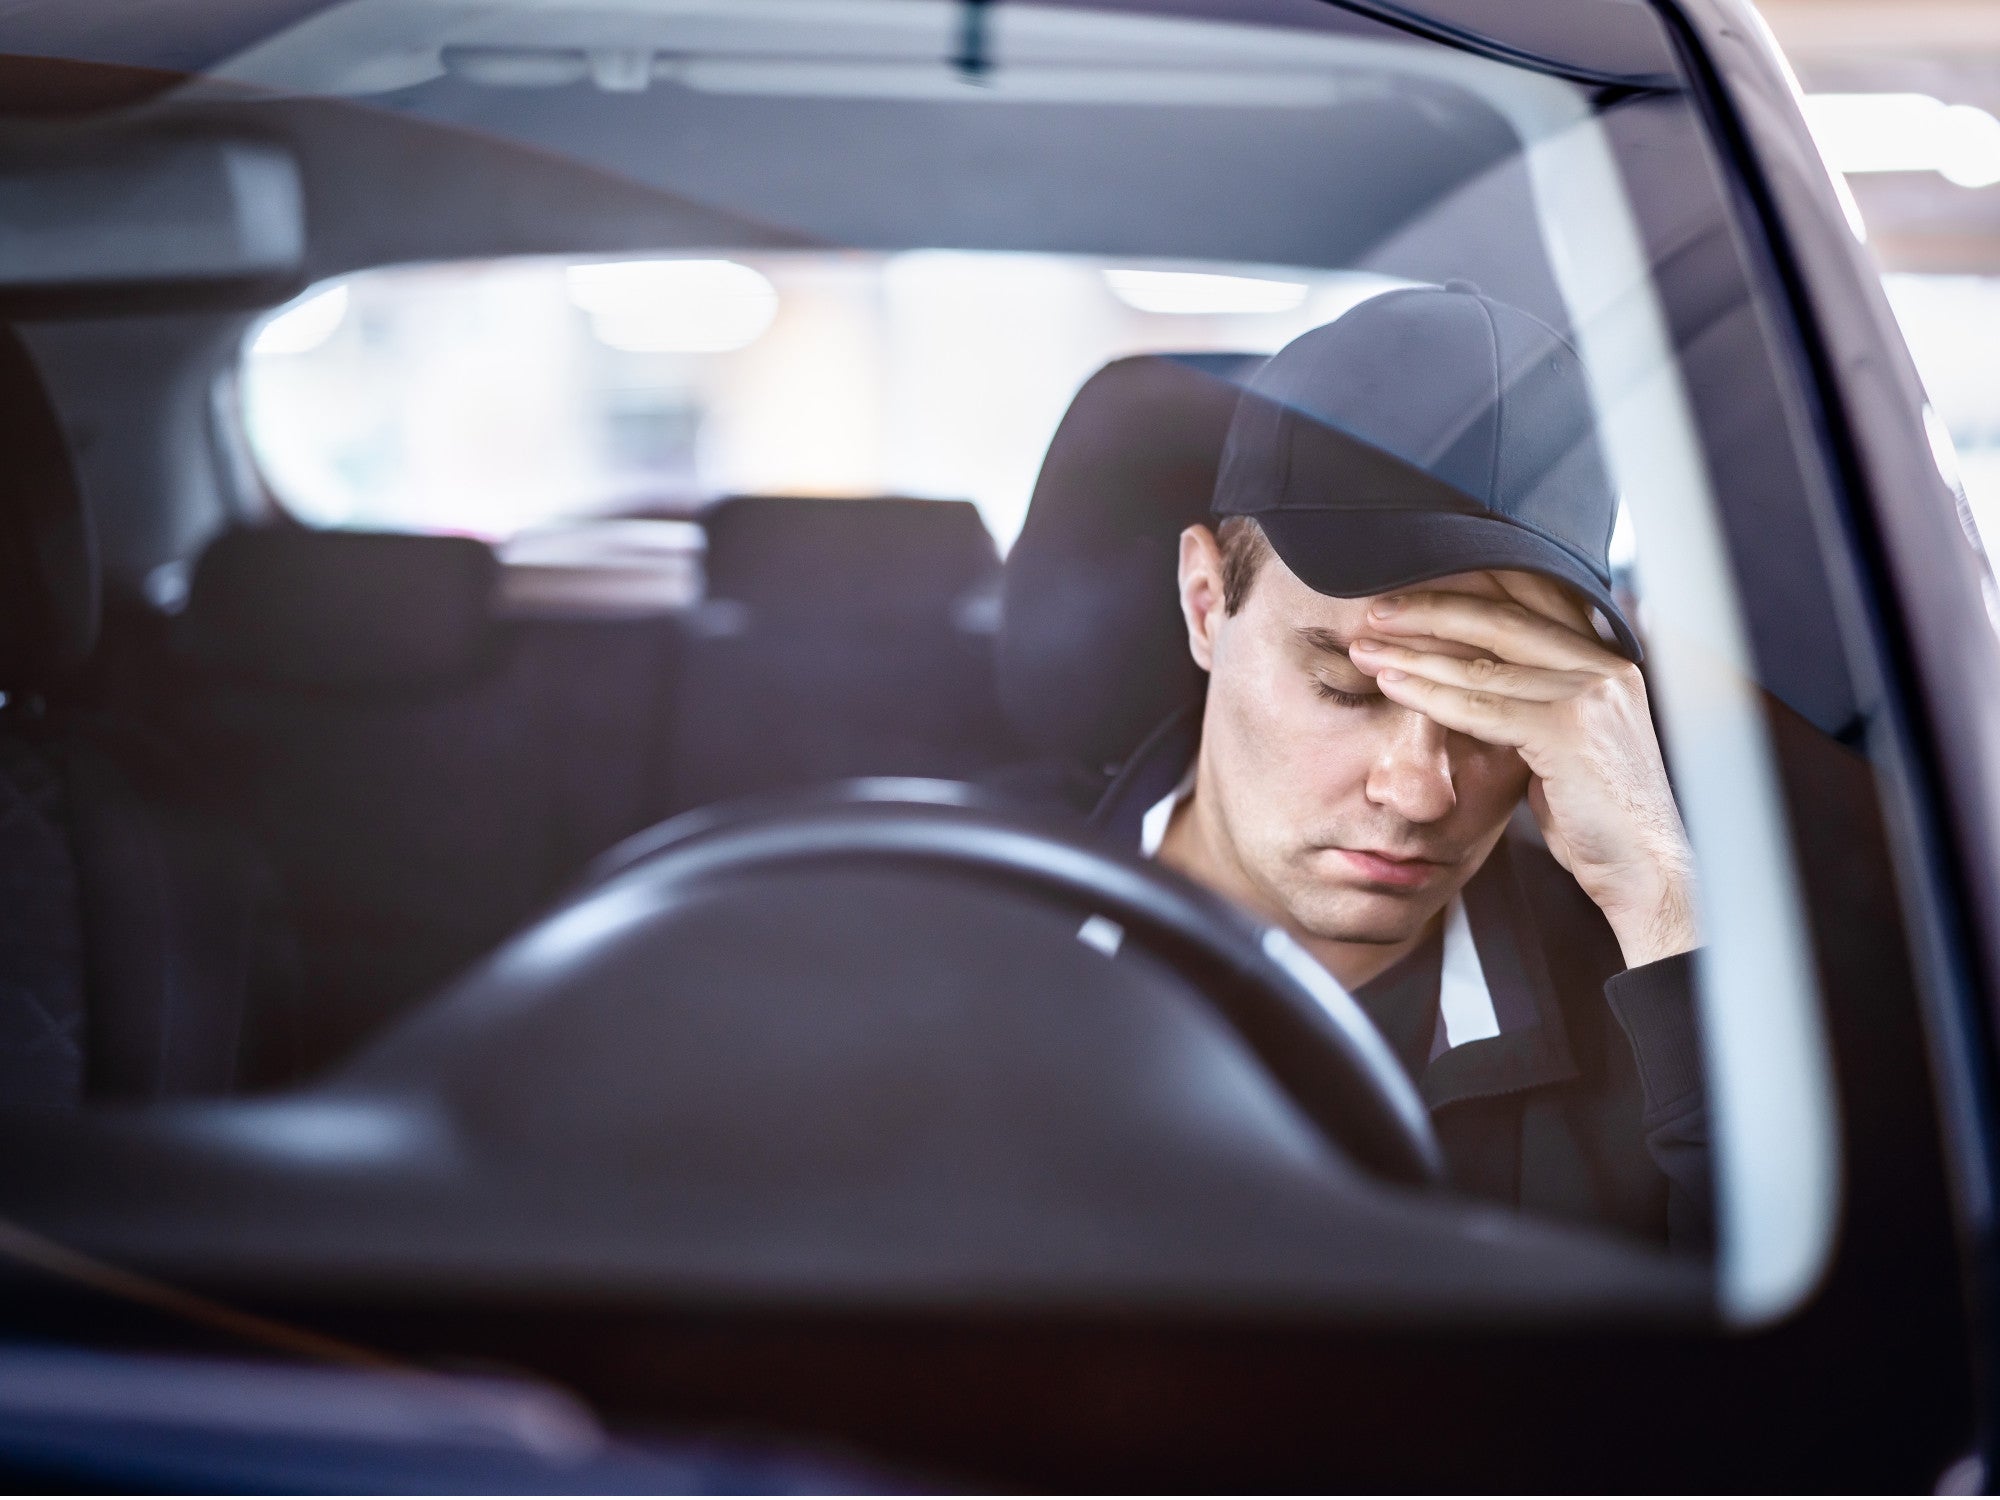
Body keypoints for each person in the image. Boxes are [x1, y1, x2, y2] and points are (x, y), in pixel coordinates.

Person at [1090, 284, 1708, 1249]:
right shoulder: (949, 936)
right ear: (1207, 603)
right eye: (1348, 686)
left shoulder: (1666, 1025)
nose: (1421, 793)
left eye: (1494, 702)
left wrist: (1664, 901)